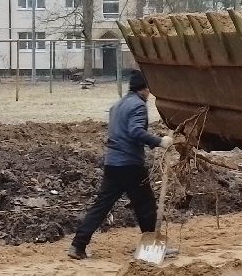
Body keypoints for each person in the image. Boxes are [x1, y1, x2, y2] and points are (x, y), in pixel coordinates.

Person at [67, 70, 175, 260]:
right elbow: (135, 131)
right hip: (130, 164)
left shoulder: (117, 106)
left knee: (101, 206)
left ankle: (78, 246)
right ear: (146, 89)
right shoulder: (138, 106)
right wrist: (159, 141)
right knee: (147, 205)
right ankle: (151, 248)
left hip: (113, 162)